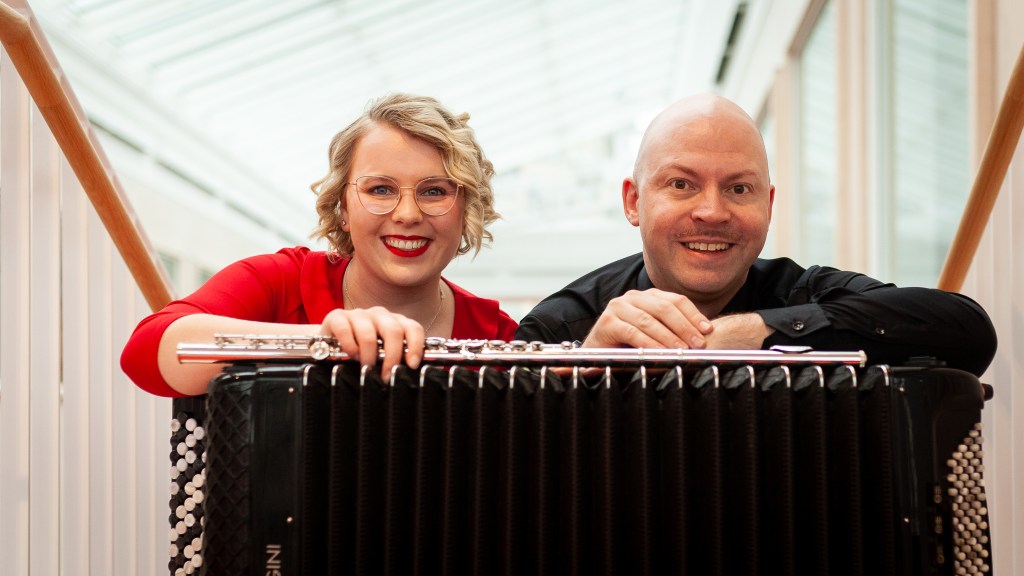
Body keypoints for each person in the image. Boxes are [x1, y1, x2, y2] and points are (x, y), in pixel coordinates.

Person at [515, 93, 996, 376]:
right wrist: (578, 375)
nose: (711, 212)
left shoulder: (806, 292)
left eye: (738, 188)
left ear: (768, 205)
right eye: (681, 184)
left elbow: (967, 330)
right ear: (633, 202)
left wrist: (751, 332)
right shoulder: (563, 329)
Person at [123, 93, 518, 397]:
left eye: (434, 191)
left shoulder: (501, 337)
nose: (407, 214)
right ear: (342, 207)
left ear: (467, 209)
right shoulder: (278, 282)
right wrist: (324, 342)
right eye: (380, 189)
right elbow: (145, 353)